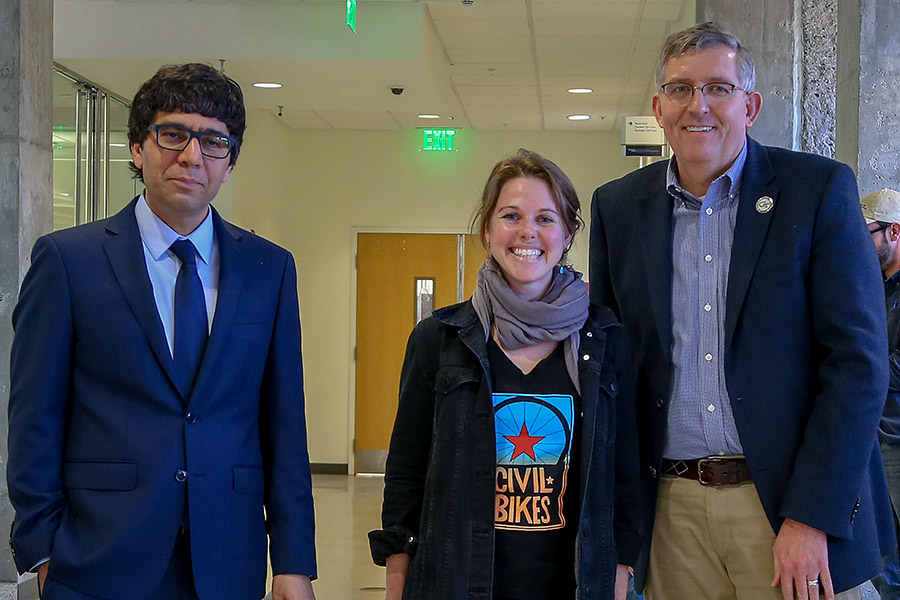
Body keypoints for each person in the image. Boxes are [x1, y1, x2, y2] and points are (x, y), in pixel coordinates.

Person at [589, 21, 893, 600]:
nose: (697, 105)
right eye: (680, 89)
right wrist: (621, 535)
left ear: (749, 104)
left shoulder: (817, 189)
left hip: (786, 508)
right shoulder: (618, 209)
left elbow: (857, 364)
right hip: (672, 513)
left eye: (718, 88)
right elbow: (614, 378)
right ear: (658, 107)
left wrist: (812, 516)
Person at [7, 63, 317, 600]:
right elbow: (34, 417)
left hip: (226, 559)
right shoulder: (68, 262)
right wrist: (41, 549)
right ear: (137, 148)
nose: (191, 156)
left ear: (230, 161)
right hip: (98, 558)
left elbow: (284, 424)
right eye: (173, 134)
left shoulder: (270, 269)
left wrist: (293, 562)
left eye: (213, 142)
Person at [368, 149, 641, 600]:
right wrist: (398, 578)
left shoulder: (605, 339)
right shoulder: (439, 339)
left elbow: (626, 473)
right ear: (487, 229)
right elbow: (406, 473)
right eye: (511, 215)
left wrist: (620, 572)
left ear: (569, 232)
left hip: (572, 584)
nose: (527, 232)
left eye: (546, 218)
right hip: (458, 583)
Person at [862, 188, 900, 600]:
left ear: (894, 232)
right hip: (876, 433)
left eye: (866, 234)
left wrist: (856, 372)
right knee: (883, 560)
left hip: (896, 437)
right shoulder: (878, 287)